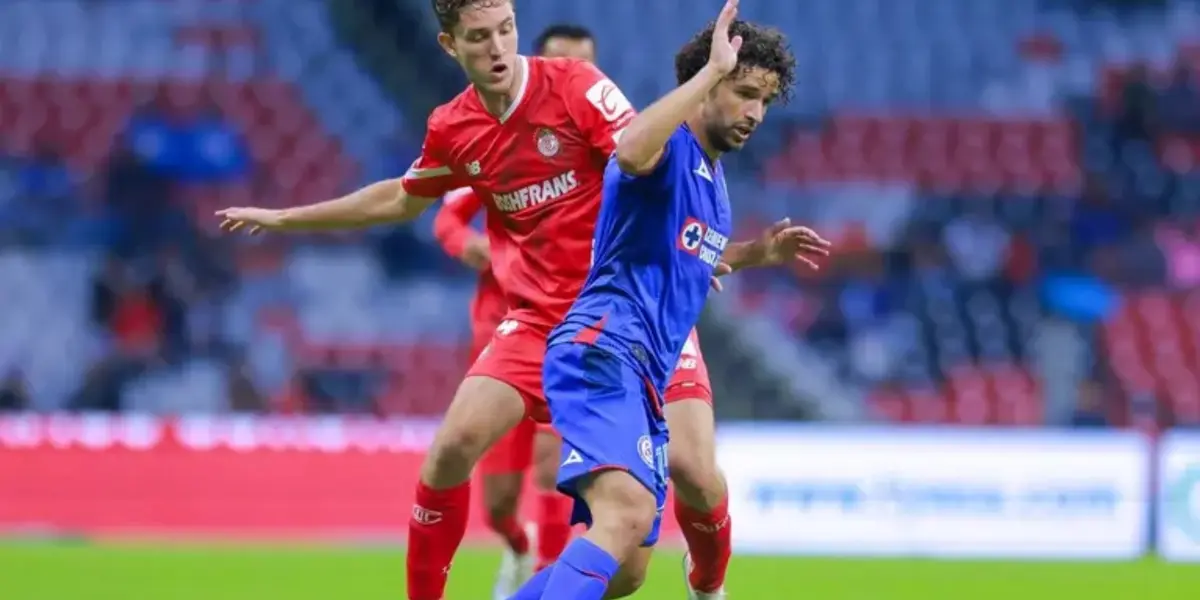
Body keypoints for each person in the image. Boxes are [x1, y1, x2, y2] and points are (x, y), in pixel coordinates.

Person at [215, 2, 821, 598]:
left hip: (634, 317)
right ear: (450, 46)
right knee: (453, 451)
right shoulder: (455, 128)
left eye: (506, 30)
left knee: (677, 499)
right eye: (479, 36)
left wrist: (713, 258)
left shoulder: (578, 87)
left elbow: (651, 166)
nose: (498, 47)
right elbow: (402, 200)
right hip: (546, 321)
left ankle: (705, 582)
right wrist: (287, 217)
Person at [510, 3, 812, 599]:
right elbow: (628, 152)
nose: (754, 113)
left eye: (764, 102)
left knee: (625, 573)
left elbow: (691, 258)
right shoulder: (669, 142)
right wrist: (707, 73)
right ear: (706, 85)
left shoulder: (714, 185)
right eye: (743, 92)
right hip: (604, 349)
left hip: (641, 374)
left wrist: (754, 253)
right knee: (623, 515)